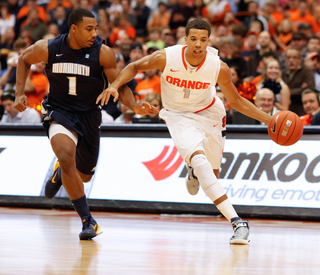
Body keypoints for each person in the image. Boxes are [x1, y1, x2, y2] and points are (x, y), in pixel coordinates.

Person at [97, 19, 272, 245]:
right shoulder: (166, 57)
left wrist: (270, 120)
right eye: (193, 39)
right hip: (178, 115)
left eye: (203, 40)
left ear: (209, 42)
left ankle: (194, 170)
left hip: (211, 113)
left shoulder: (218, 66)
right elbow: (134, 67)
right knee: (202, 164)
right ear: (185, 39)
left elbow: (236, 101)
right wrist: (114, 85)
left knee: (212, 175)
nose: (198, 44)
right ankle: (238, 222)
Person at [14, 8, 158, 240]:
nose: (94, 33)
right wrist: (19, 91)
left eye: (95, 29)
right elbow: (23, 59)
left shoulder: (103, 53)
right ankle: (87, 220)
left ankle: (61, 173)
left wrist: (136, 106)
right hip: (59, 111)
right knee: (65, 153)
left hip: (89, 115)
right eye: (88, 29)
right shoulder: (49, 48)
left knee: (84, 175)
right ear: (74, 28)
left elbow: (120, 86)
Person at [281, 47, 315, 116]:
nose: (291, 60)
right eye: (288, 57)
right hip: (285, 110)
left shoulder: (307, 71)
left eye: (294, 57)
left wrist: (286, 92)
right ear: (285, 60)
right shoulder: (282, 72)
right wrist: (299, 89)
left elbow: (308, 90)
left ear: (300, 60)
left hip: (302, 109)